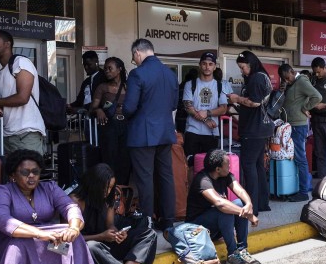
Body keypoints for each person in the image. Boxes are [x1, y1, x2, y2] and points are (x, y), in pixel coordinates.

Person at [71, 164, 161, 264]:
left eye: (110, 188)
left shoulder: (108, 199)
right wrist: (100, 236)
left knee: (149, 234)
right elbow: (70, 238)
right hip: (87, 248)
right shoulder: (75, 201)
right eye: (105, 187)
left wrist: (117, 234)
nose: (107, 191)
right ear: (93, 184)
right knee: (92, 247)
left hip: (106, 244)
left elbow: (110, 224)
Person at [123, 38, 178, 230]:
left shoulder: (137, 74)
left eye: (133, 57)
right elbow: (173, 105)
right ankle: (168, 220)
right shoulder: (170, 74)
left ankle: (147, 221)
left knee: (145, 179)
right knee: (165, 177)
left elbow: (129, 108)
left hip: (142, 135)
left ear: (137, 53)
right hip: (165, 132)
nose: (134, 61)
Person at [186, 149, 261, 264]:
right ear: (218, 169)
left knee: (239, 203)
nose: (230, 166)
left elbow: (240, 190)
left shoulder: (225, 175)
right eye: (228, 164)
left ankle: (242, 250)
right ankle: (232, 254)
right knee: (225, 210)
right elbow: (220, 203)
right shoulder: (202, 180)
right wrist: (249, 215)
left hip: (216, 226)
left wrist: (248, 205)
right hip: (197, 228)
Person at [227, 51, 273, 212]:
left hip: (254, 129)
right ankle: (262, 202)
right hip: (260, 128)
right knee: (258, 165)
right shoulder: (261, 76)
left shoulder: (256, 78)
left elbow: (254, 103)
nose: (242, 71)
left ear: (251, 64)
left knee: (248, 164)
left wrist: (236, 99)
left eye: (243, 67)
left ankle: (251, 204)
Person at [0, 30, 46, 154]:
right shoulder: (1, 73)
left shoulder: (21, 62)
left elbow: (22, 98)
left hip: (26, 133)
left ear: (7, 44)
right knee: (12, 174)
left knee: (28, 173)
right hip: (9, 135)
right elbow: (3, 104)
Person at [278, 63, 322, 201]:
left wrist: (305, 108)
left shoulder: (301, 81)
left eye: (287, 77)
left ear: (292, 71)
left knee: (300, 158)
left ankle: (303, 192)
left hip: (298, 126)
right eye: (284, 79)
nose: (287, 80)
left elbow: (317, 97)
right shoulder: (292, 84)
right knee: (294, 157)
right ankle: (296, 187)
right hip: (290, 125)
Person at [89, 57, 132, 185]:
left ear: (119, 70)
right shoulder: (102, 87)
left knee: (125, 161)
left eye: (110, 68)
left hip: (126, 125)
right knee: (109, 159)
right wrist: (98, 110)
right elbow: (92, 108)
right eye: (105, 68)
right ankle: (109, 190)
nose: (107, 71)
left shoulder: (128, 87)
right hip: (109, 126)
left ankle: (122, 192)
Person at [182, 52, 231, 160]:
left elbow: (223, 109)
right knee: (191, 165)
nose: (207, 67)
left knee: (210, 168)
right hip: (192, 132)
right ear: (200, 65)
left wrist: (207, 112)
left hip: (212, 133)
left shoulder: (220, 86)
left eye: (210, 64)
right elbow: (188, 107)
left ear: (214, 67)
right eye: (204, 63)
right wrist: (206, 120)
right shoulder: (190, 84)